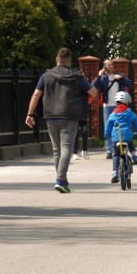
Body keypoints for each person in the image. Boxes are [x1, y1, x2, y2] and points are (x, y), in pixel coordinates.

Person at [25, 47, 98, 193]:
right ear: (70, 61)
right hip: (69, 117)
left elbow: (36, 95)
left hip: (50, 116)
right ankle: (60, 179)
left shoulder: (46, 76)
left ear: (56, 59)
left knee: (56, 150)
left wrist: (30, 114)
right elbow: (93, 92)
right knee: (66, 149)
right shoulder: (77, 77)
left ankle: (61, 179)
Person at [91, 59, 134, 159]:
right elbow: (93, 86)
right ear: (104, 66)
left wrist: (121, 78)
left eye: (112, 64)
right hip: (107, 106)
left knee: (121, 126)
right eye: (109, 65)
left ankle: (121, 147)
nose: (111, 66)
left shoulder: (119, 76)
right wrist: (98, 75)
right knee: (108, 127)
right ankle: (109, 150)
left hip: (119, 106)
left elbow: (130, 84)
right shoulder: (102, 78)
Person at [104, 91, 137, 184]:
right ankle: (134, 156)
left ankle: (114, 173)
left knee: (116, 154)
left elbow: (108, 126)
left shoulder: (113, 114)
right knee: (130, 141)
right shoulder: (130, 113)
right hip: (127, 136)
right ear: (127, 102)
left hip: (115, 138)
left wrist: (107, 135)